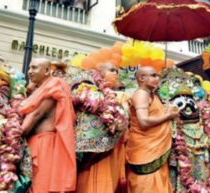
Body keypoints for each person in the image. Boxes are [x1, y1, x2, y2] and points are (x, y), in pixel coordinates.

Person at [19, 58, 76, 193]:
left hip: (44, 143)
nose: (30, 72)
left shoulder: (55, 84)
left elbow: (36, 114)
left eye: (34, 68)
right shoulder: (40, 88)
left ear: (46, 70)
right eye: (29, 68)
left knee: (40, 186)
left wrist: (15, 133)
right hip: (34, 142)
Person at [75, 62, 129, 193]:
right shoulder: (89, 90)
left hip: (113, 146)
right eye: (112, 70)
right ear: (100, 73)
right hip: (90, 151)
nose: (115, 74)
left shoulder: (119, 96)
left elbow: (125, 117)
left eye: (116, 71)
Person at [126, 66, 180, 193]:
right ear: (142, 78)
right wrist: (168, 116)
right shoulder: (141, 94)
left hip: (156, 149)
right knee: (146, 184)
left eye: (157, 76)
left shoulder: (151, 96)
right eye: (153, 75)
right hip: (146, 151)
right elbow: (143, 122)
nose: (157, 78)